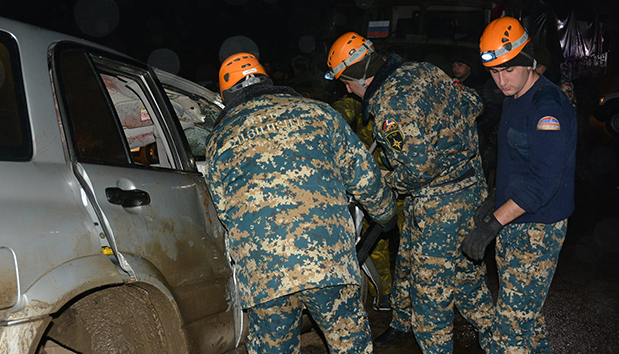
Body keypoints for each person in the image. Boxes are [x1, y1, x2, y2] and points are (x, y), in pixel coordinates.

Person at [206, 52, 396, 354]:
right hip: (327, 260)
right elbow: (364, 175)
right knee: (350, 346)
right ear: (267, 81)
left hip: (265, 273)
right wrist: (386, 213)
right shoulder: (318, 113)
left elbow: (223, 209)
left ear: (226, 95)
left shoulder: (220, 139)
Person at [325, 32, 494, 353]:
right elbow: (473, 103)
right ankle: (403, 324)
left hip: (439, 204)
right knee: (409, 266)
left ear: (361, 74)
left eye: (347, 81)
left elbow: (418, 170)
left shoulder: (390, 108)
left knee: (431, 296)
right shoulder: (424, 70)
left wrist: (383, 180)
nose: (347, 88)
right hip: (469, 189)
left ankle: (470, 338)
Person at [463, 16, 577, 353]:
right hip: (516, 219)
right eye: (495, 72)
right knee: (529, 318)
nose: (501, 80)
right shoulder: (515, 99)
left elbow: (543, 181)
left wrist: (494, 222)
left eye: (509, 70)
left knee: (508, 334)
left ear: (528, 62)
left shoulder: (548, 109)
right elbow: (518, 164)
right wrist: (496, 199)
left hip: (538, 227)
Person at [332, 93, 399, 312]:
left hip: (406, 181)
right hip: (370, 182)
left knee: (412, 239)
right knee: (375, 239)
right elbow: (337, 113)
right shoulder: (361, 104)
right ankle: (384, 294)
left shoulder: (402, 105)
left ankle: (414, 299)